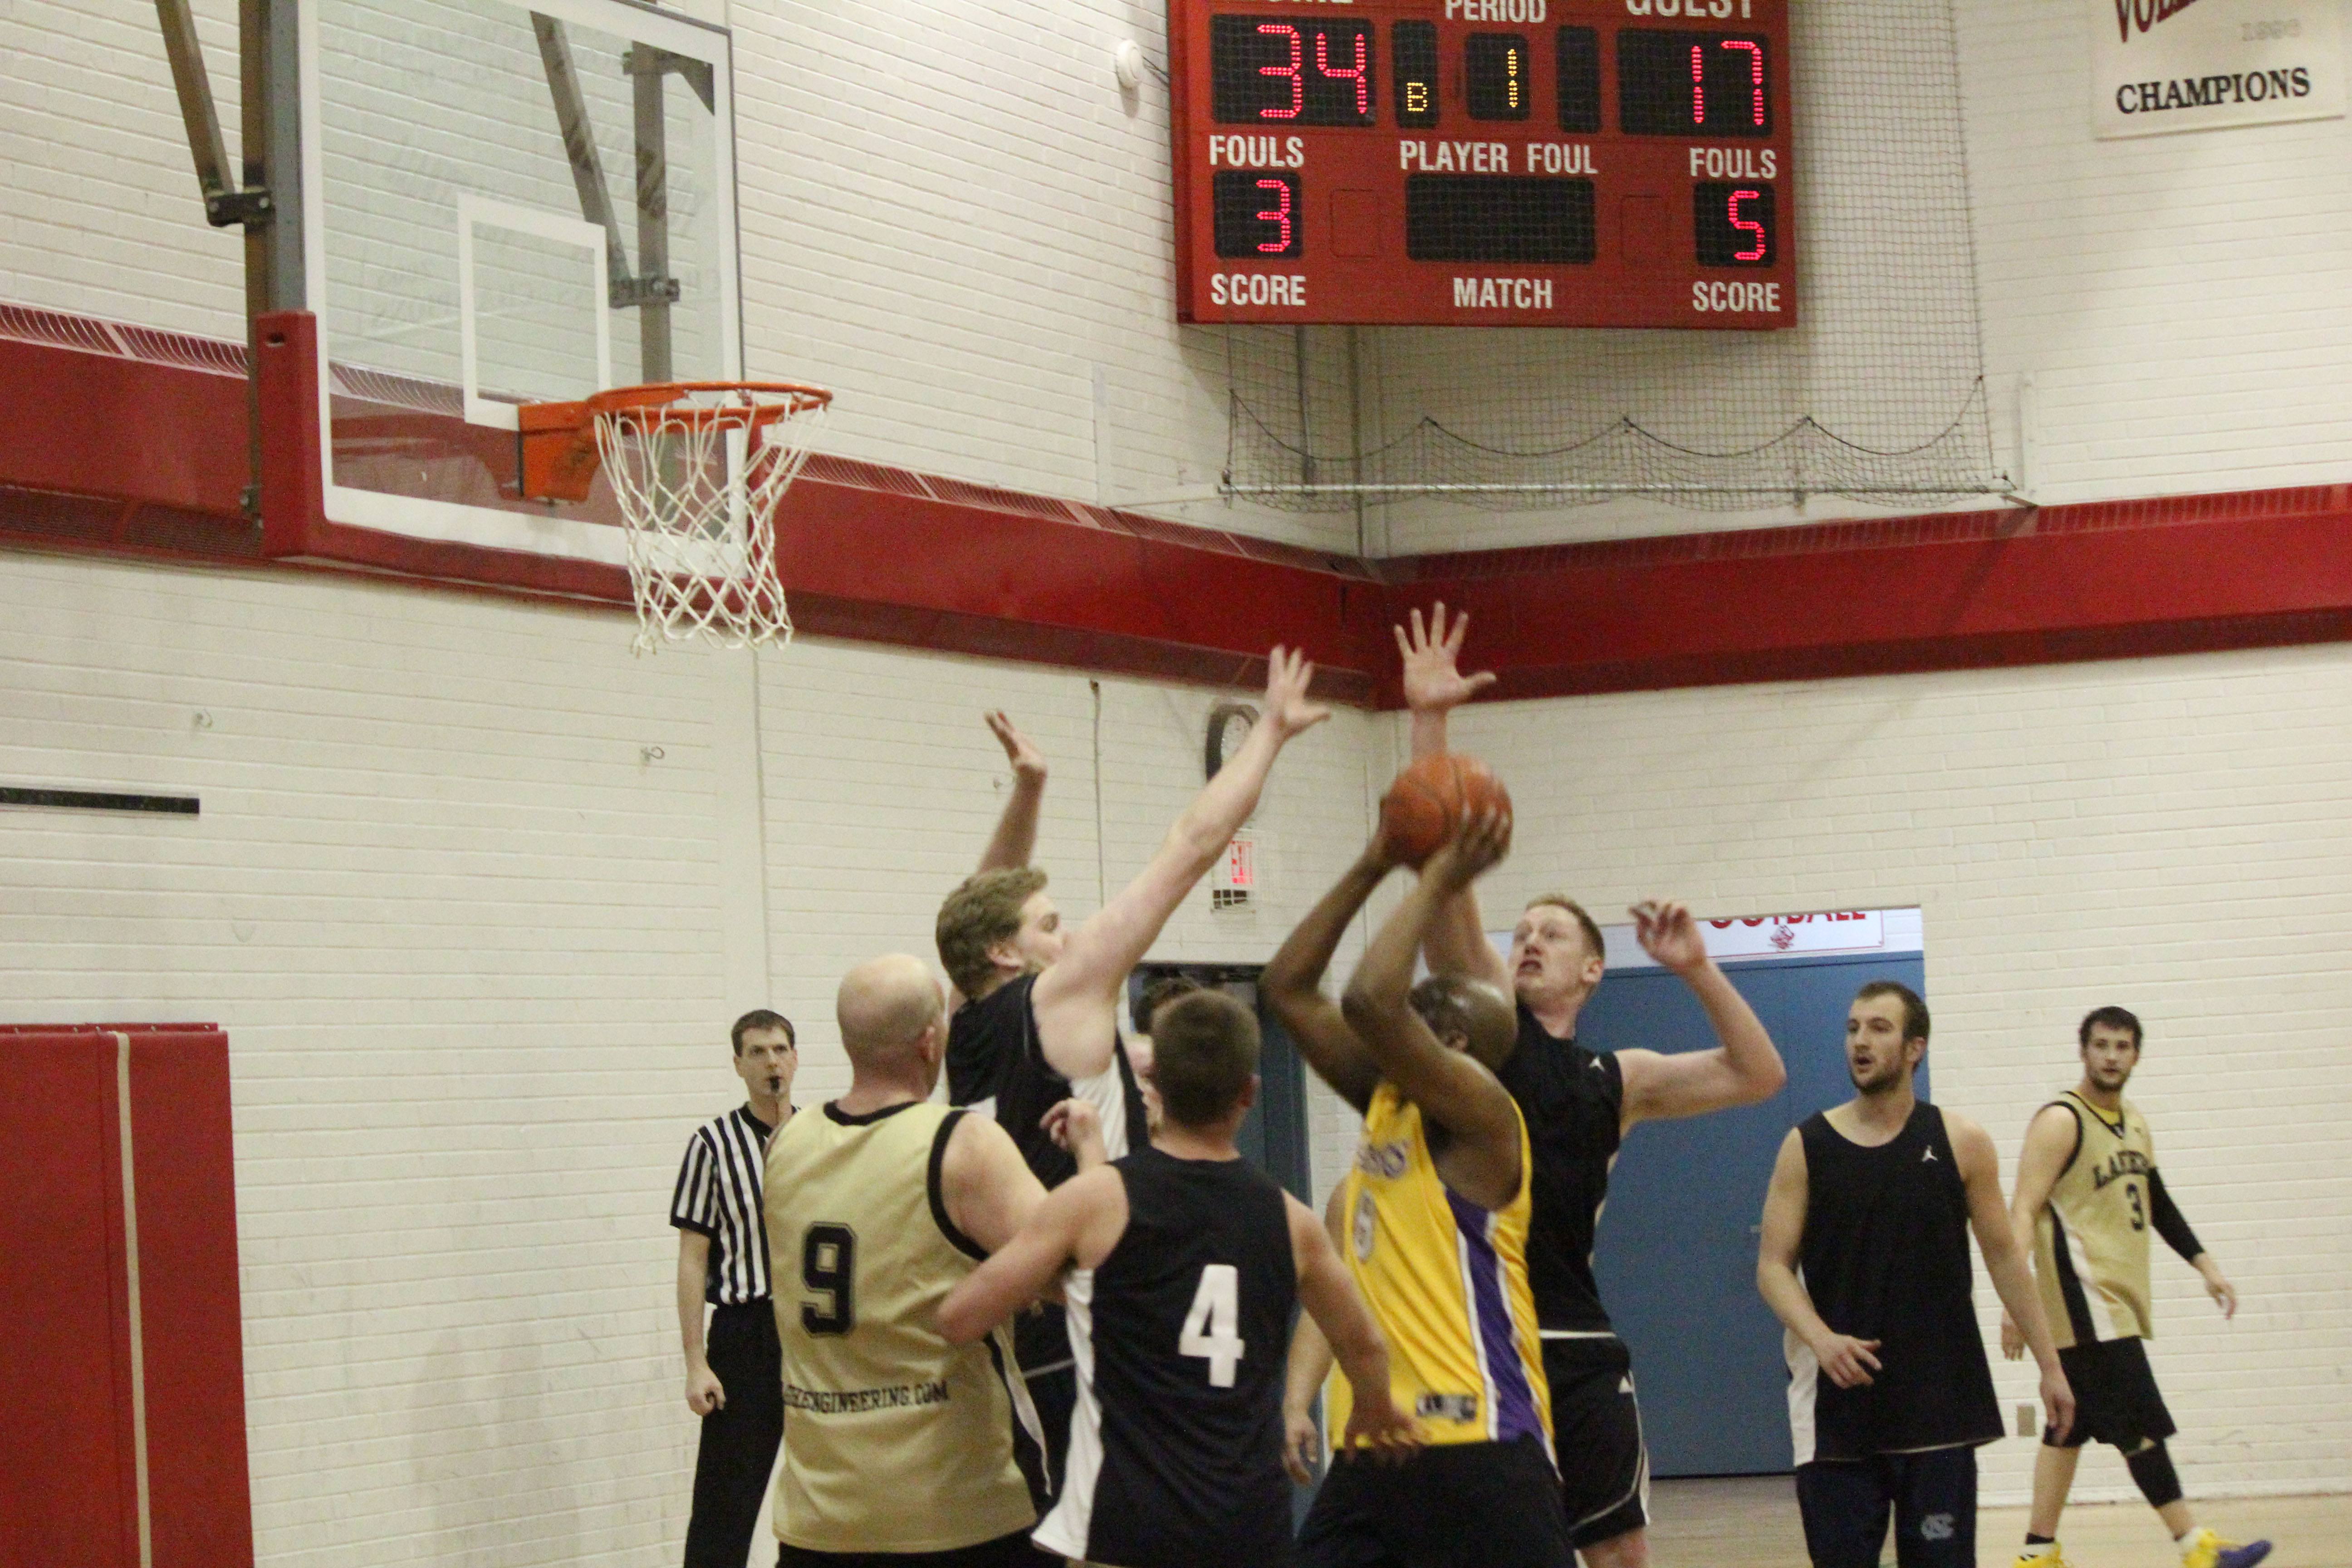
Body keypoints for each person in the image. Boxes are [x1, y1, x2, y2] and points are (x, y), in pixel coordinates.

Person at [1398, 602, 1787, 1568]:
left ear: (1592, 973)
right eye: (1520, 930)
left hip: (1576, 1337)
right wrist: (1430, 727)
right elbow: (1440, 877)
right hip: (1482, 1334)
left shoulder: (1619, 1079)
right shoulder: (1488, 1028)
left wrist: (1699, 966)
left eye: (1551, 934)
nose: (1528, 940)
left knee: (1619, 1557)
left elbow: (1759, 1073)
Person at [934, 650, 1329, 1482]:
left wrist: (1029, 791)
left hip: (1022, 1322)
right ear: (1011, 952)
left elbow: (974, 909)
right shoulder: (1061, 994)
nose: (1069, 938)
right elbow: (1191, 845)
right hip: (1099, 1308)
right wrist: (1269, 739)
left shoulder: (960, 1020)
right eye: (1051, 925)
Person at [937, 988, 1417, 1568]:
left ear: (1155, 1084)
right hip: (1247, 1531)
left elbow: (961, 1317)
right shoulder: (1293, 1220)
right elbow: (1364, 1344)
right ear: (1250, 1093)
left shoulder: (1097, 1201)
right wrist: (1376, 1411)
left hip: (1126, 1527)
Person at [1268, 806, 1574, 1568]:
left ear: (1458, 1046)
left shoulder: (1484, 1119)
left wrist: (1436, 877)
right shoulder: (1387, 1102)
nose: (1406, 1008)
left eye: (1426, 1008)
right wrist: (1372, 860)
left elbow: (1369, 999)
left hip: (1480, 1448)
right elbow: (1287, 987)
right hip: (1375, 1450)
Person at [760, 954, 1105, 1566]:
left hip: (819, 1522)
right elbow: (1083, 1272)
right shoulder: (961, 1144)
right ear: (930, 1041)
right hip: (955, 1515)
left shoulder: (786, 1143)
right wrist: (1090, 1156)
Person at [1755, 981, 2076, 1568]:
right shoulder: (1806, 1146)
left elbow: (2005, 1256)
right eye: (1853, 1028)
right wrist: (1821, 1340)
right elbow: (1773, 1268)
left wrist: (2051, 1365)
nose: (1861, 1041)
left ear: (1914, 1048)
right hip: (1837, 1414)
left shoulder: (1962, 1143)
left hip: (1940, 1408)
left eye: (1879, 1028)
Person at [2003, 1007, 2269, 1568]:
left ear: (2136, 1056)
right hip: (2082, 1298)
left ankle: (2037, 1554)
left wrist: (2205, 1264)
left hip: (2115, 1301)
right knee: (2141, 1421)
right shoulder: (2061, 1120)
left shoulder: (2135, 1122)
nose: (2111, 1056)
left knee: (2067, 1424)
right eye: (2101, 1045)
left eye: (2122, 1047)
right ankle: (2195, 1548)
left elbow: (2158, 1204)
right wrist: (2014, 1297)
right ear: (2084, 1051)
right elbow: (2022, 1209)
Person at [671, 1009, 798, 1568]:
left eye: (780, 1049)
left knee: (832, 1491)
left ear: (795, 1057)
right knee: (726, 1501)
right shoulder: (713, 1145)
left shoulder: (826, 1135)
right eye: (758, 1052)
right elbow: (692, 1259)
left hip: (815, 1331)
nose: (772, 1062)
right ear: (738, 1065)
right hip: (747, 1335)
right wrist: (696, 1360)